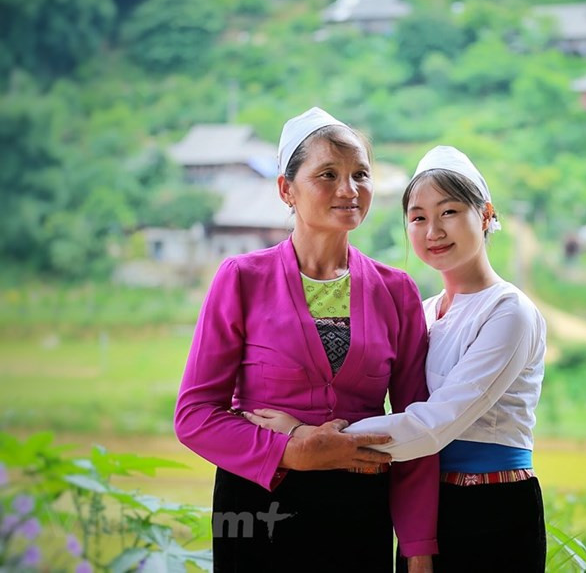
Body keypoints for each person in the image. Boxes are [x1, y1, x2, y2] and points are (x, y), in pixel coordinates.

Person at [246, 145, 548, 572]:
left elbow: (433, 424)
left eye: (449, 212)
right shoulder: (424, 313)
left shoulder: (509, 311)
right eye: (418, 217)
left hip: (492, 506)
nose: (433, 231)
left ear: (484, 215)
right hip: (422, 504)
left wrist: (308, 435)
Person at [174, 107, 439, 573]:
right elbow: (195, 416)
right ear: (286, 190)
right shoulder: (241, 279)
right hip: (258, 511)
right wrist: (292, 449)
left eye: (361, 174)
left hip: (359, 514)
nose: (349, 189)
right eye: (328, 174)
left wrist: (417, 548)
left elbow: (418, 425)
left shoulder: (396, 290)